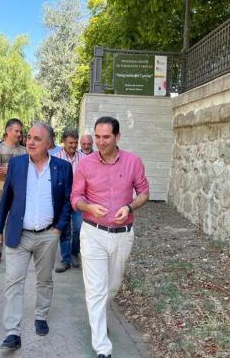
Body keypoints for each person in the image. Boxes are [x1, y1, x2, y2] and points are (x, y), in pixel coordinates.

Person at [71, 116, 150, 358]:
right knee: (96, 290)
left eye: (106, 137)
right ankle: (102, 348)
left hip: (122, 235)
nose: (100, 142)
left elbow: (144, 192)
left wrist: (129, 206)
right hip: (93, 233)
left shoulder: (133, 162)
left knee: (112, 287)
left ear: (117, 137)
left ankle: (99, 318)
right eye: (97, 137)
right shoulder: (85, 164)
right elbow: (75, 198)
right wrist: (89, 208)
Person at [0, 122, 73, 351]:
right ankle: (12, 332)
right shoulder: (16, 164)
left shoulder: (62, 167)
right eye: (29, 137)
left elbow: (68, 200)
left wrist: (58, 228)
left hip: (48, 235)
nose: (30, 141)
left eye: (37, 139)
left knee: (45, 279)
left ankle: (40, 316)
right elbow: (6, 197)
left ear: (49, 144)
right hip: (19, 234)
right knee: (13, 281)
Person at [0, 118, 27, 264]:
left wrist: (10, 169)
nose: (19, 134)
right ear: (8, 131)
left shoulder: (24, 150)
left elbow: (26, 172)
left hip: (18, 194)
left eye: (20, 131)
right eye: (16, 131)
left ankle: (16, 251)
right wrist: (15, 169)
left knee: (17, 222)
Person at [54, 130, 85, 273]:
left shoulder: (84, 158)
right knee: (64, 229)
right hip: (62, 200)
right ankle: (65, 259)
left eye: (75, 142)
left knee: (78, 228)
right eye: (70, 143)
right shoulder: (55, 157)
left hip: (79, 199)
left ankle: (74, 253)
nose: (73, 145)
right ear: (63, 142)